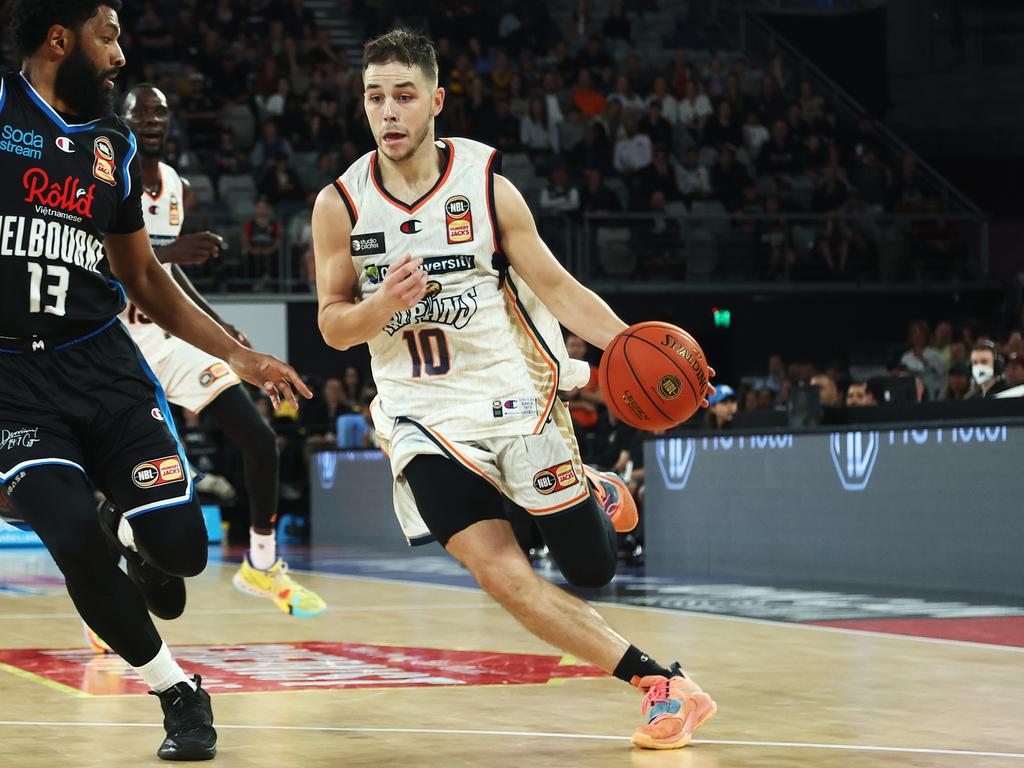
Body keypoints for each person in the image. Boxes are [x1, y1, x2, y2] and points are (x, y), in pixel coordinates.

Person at [312, 28, 717, 750]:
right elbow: (334, 328)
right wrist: (381, 308)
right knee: (497, 573)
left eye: (405, 95)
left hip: (517, 398)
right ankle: (663, 685)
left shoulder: (487, 187)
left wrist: (637, 351)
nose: (389, 112)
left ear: (436, 100)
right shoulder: (340, 204)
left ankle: (590, 489)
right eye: (376, 97)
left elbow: (558, 288)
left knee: (590, 570)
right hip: (421, 414)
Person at [0, 1, 308, 760]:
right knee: (72, 540)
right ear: (58, 39)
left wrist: (244, 356)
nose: (120, 55)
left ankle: (134, 535)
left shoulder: (115, 144)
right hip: (13, 374)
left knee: (183, 551)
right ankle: (178, 692)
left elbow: (142, 276)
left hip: (103, 361)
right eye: (108, 37)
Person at [116, 84, 325, 620]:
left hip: (167, 338)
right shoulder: (104, 174)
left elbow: (173, 275)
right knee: (133, 483)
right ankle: (113, 593)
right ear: (122, 120)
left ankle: (260, 562)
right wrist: (166, 252)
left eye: (160, 113)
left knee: (259, 437)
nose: (152, 121)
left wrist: (222, 330)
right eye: (141, 113)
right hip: (112, 346)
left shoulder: (178, 188)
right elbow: (101, 259)